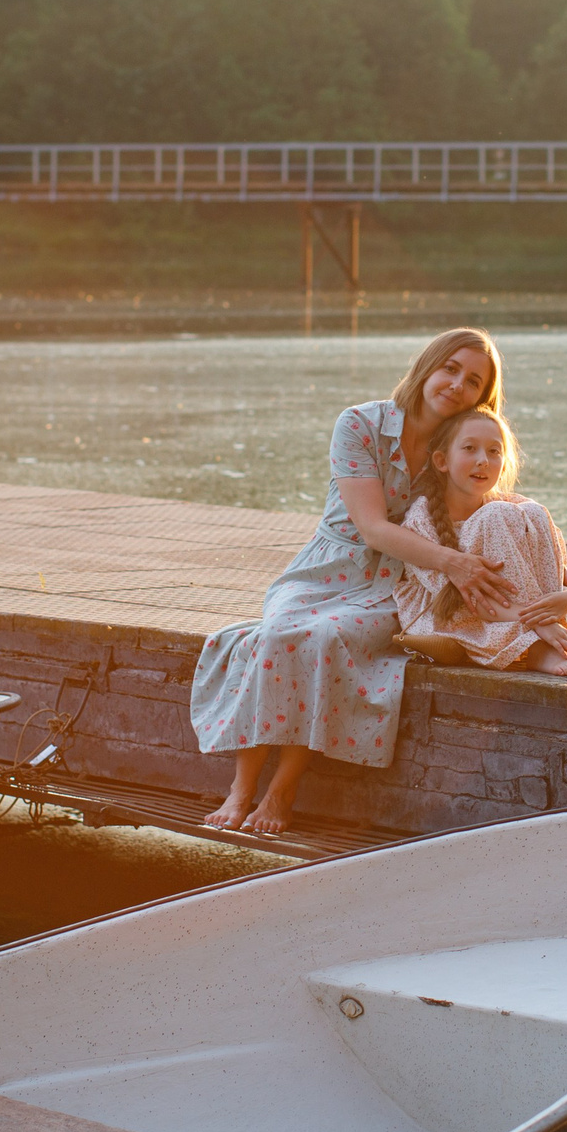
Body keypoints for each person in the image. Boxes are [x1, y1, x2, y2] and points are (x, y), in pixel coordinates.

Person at [190, 328, 518, 835]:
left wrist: (555, 578)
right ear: (427, 367)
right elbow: (372, 528)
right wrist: (454, 564)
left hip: (397, 583)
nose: (457, 384)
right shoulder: (360, 424)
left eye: (473, 381)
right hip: (324, 569)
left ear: (482, 396)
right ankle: (241, 787)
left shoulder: (460, 445)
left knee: (325, 638)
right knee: (274, 635)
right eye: (450, 368)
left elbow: (494, 506)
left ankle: (282, 789)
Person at [392, 409, 567, 677]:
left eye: (494, 451)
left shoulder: (512, 506)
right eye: (469, 448)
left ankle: (549, 635)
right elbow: (467, 600)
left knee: (534, 511)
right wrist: (538, 622)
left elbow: (554, 565)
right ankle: (538, 646)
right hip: (448, 613)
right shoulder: (422, 518)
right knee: (496, 514)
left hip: (512, 611)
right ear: (442, 461)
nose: (483, 460)